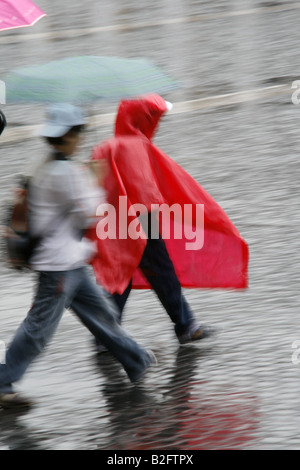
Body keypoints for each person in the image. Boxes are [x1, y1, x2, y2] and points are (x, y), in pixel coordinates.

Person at [0, 103, 156, 409]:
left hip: (71, 264)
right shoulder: (64, 172)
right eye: (79, 133)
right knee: (38, 330)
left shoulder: (47, 165)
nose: (81, 138)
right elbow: (91, 214)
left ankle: (137, 361)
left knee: (103, 316)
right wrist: (97, 179)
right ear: (68, 136)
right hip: (58, 268)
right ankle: (2, 380)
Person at [87, 94, 248, 352]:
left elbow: (95, 187)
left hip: (113, 220)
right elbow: (147, 190)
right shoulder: (138, 146)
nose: (158, 124)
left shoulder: (105, 147)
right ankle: (185, 326)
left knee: (120, 276)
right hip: (141, 219)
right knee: (161, 272)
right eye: (155, 118)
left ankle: (105, 334)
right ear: (143, 120)